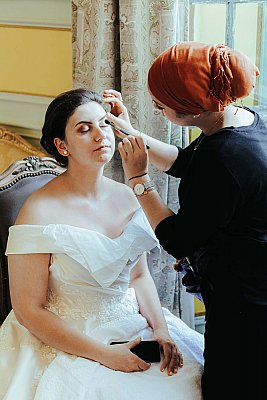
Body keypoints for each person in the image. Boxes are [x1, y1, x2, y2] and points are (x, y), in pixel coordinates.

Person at [0, 88, 204, 400]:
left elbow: (138, 276)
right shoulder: (37, 211)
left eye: (104, 124)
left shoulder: (127, 196)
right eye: (85, 129)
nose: (101, 136)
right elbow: (29, 310)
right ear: (62, 146)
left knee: (195, 379)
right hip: (66, 335)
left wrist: (161, 330)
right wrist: (105, 354)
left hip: (132, 323)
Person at [103, 41, 267, 400]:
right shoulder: (245, 119)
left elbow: (177, 239)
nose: (158, 109)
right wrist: (128, 131)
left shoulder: (224, 160)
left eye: (162, 105)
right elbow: (184, 161)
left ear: (191, 110)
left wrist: (138, 181)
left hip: (246, 309)